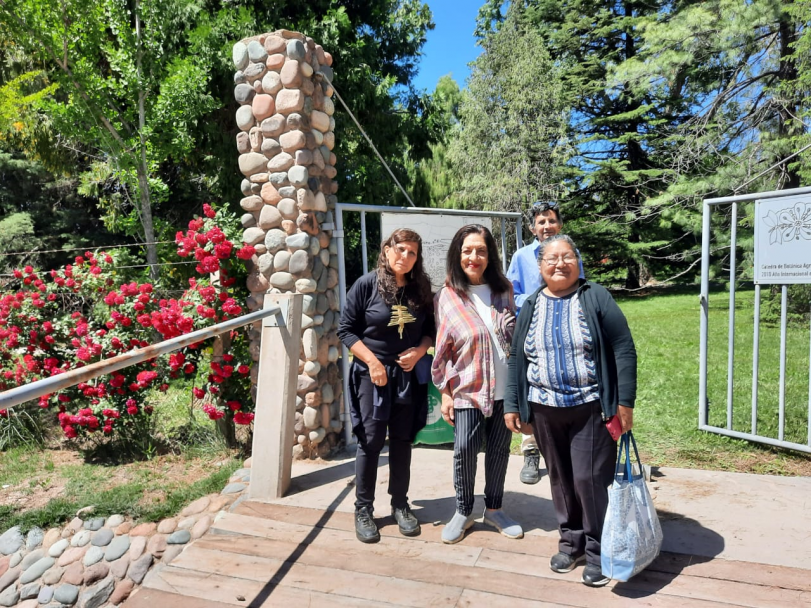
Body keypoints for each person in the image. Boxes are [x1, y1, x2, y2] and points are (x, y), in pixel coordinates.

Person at [504, 234, 637, 587]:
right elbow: (517, 356)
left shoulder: (595, 296)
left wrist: (624, 402)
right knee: (561, 480)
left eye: (567, 257)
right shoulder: (531, 303)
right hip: (545, 408)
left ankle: (597, 550)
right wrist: (513, 403)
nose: (559, 263)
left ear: (578, 262)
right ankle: (570, 542)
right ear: (540, 266)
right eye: (551, 258)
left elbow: (623, 347)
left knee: (588, 479)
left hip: (591, 406)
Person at [337, 229, 435, 543]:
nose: (405, 257)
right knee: (371, 441)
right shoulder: (366, 285)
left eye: (412, 253)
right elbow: (346, 331)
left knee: (403, 440)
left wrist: (419, 352)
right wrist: (373, 363)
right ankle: (363, 508)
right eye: (401, 249)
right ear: (387, 248)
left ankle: (400, 504)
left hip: (406, 376)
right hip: (373, 375)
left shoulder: (421, 289)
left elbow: (430, 331)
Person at [432, 224, 523, 544]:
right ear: (458, 255)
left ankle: (495, 509)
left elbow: (515, 337)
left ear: (490, 256)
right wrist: (444, 393)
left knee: (499, 449)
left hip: (505, 389)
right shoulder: (447, 296)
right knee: (464, 449)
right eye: (468, 250)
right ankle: (463, 509)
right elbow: (442, 350)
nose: (474, 257)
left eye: (481, 251)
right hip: (467, 388)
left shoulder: (504, 290)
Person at [507, 201, 584, 485]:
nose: (546, 226)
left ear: (559, 225)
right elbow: (510, 293)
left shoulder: (570, 252)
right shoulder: (521, 256)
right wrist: (534, 302)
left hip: (566, 328)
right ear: (532, 228)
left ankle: (566, 447)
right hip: (532, 329)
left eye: (551, 221)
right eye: (541, 222)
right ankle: (530, 451)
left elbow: (581, 285)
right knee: (531, 385)